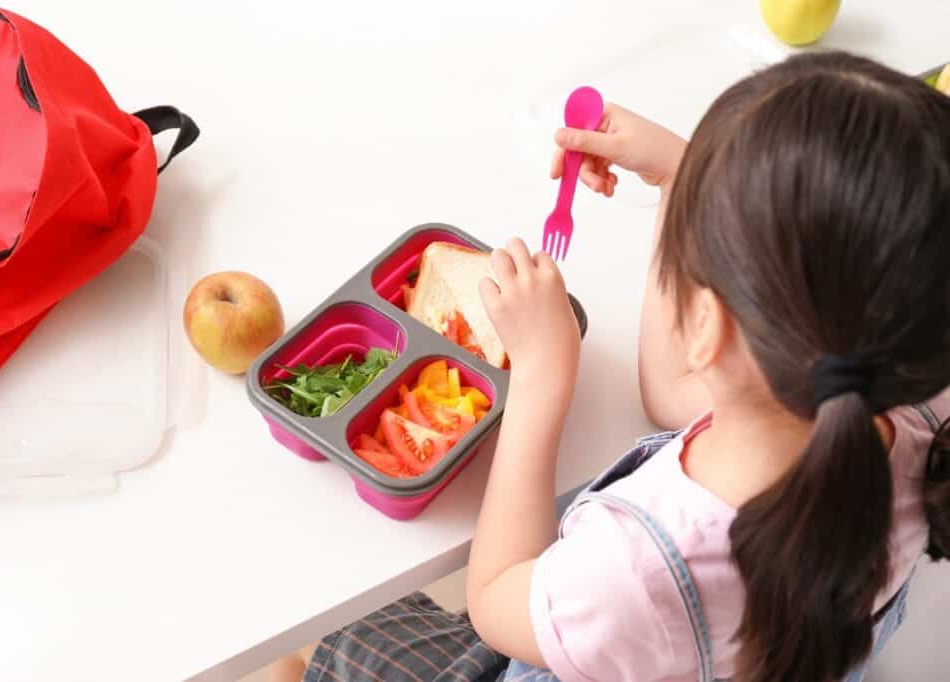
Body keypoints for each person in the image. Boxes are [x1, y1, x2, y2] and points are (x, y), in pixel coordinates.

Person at [270, 51, 950, 682]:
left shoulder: (630, 574)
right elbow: (670, 393)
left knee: (332, 634)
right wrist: (682, 177)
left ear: (708, 328)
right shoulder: (907, 395)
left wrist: (542, 376)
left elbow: (497, 594)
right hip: (666, 643)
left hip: (559, 625)